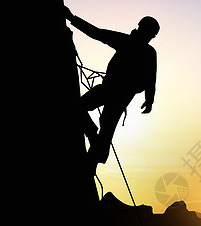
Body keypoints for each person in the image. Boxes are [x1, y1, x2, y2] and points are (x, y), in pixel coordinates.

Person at [63, 5, 159, 174]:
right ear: (143, 30)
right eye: (149, 33)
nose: (150, 37)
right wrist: (72, 19)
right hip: (113, 91)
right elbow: (97, 33)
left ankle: (91, 161)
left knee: (104, 129)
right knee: (87, 115)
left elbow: (150, 79)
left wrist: (149, 99)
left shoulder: (143, 49)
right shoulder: (132, 44)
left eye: (151, 35)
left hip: (117, 93)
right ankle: (92, 139)